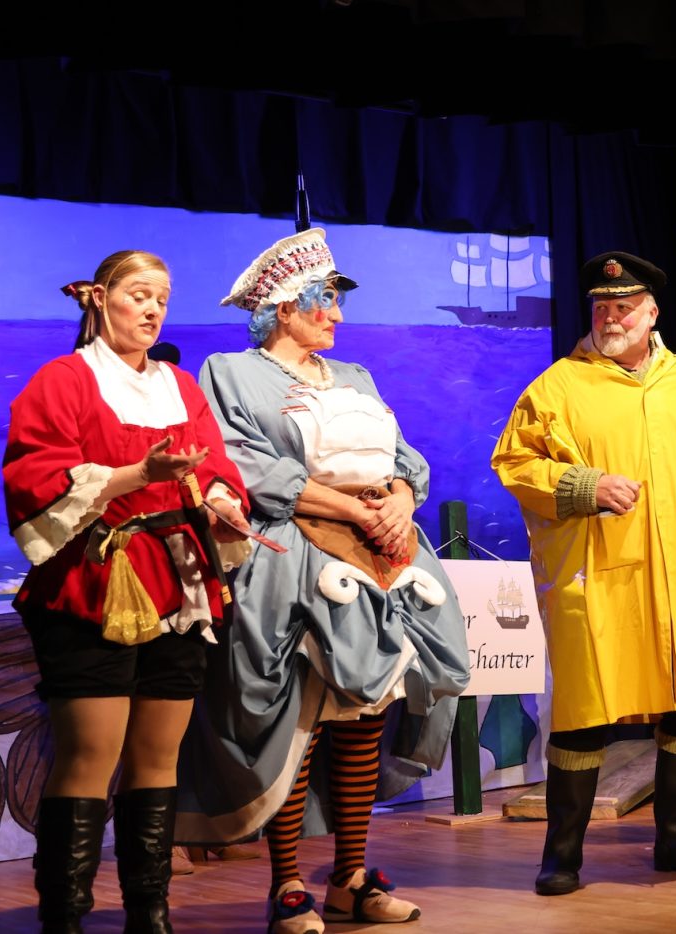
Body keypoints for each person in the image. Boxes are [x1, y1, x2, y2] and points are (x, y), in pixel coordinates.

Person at [175, 228, 470, 934]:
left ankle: (351, 878)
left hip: (381, 557)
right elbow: (242, 463)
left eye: (336, 301)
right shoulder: (231, 373)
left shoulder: (355, 377)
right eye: (323, 301)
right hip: (296, 558)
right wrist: (353, 510)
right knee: (298, 720)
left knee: (365, 715)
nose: (336, 315)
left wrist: (400, 503)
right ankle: (287, 884)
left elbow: (403, 457)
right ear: (284, 307)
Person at [491, 250, 676, 896]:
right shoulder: (556, 389)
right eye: (601, 307)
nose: (610, 317)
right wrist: (583, 485)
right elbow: (514, 464)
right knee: (584, 712)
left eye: (624, 306)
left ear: (652, 313)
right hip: (596, 580)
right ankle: (562, 854)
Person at [3, 249, 253, 933]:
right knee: (90, 756)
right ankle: (66, 917)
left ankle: (150, 913)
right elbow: (36, 478)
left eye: (161, 299)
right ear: (98, 298)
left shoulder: (181, 386)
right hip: (93, 579)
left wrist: (223, 502)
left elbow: (217, 468)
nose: (152, 310)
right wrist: (140, 473)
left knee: (159, 757)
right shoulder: (63, 381)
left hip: (178, 583)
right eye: (138, 294)